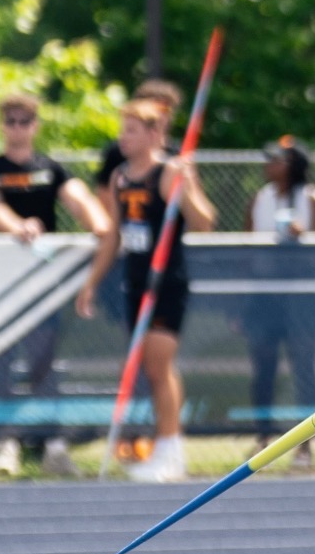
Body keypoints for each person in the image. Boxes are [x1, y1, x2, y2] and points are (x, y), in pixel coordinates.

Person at [0, 93, 114, 476]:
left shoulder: (50, 169)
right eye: (10, 121)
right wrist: (20, 227)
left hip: (41, 290)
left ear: (35, 126)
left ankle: (53, 444)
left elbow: (80, 201)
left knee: (44, 364)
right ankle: (6, 444)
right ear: (2, 125)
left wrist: (100, 223)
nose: (17, 127)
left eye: (24, 121)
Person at [78, 98, 217, 482]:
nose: (123, 137)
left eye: (132, 130)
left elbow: (205, 222)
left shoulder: (169, 173)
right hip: (136, 282)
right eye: (123, 129)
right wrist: (91, 283)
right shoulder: (120, 177)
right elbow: (113, 236)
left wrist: (186, 187)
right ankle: (167, 448)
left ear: (155, 134)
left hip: (166, 282)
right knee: (149, 368)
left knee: (159, 365)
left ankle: (171, 449)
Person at [243, 135, 315, 467]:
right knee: (263, 366)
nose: (269, 165)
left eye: (276, 159)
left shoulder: (313, 199)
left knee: (303, 368)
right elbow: (246, 245)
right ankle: (263, 437)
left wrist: (302, 240)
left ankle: (305, 444)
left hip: (302, 296)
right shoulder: (260, 198)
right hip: (266, 295)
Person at [94, 79, 182, 191]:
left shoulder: (177, 156)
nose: (160, 114)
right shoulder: (118, 154)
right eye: (153, 107)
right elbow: (105, 198)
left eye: (165, 108)